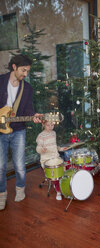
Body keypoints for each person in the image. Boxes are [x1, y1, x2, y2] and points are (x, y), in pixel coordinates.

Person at [0, 54, 42, 210]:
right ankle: (1, 194)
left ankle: (20, 189)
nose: (26, 74)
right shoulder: (0, 81)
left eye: (28, 71)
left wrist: (34, 116)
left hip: (18, 130)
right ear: (14, 67)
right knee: (0, 166)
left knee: (19, 165)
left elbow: (28, 110)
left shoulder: (27, 88)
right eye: (23, 70)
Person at [36, 120, 66, 200]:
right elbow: (38, 148)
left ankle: (60, 185)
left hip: (55, 157)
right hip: (46, 160)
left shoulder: (53, 133)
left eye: (52, 125)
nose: (50, 127)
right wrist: (41, 149)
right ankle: (58, 191)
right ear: (43, 124)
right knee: (56, 173)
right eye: (48, 125)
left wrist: (61, 148)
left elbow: (54, 146)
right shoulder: (41, 136)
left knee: (64, 168)